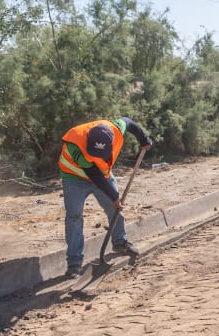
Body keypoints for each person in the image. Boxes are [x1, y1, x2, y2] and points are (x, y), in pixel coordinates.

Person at [59, 117, 153, 278]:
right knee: (74, 216)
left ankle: (120, 242)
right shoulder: (75, 143)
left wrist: (144, 139)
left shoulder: (115, 128)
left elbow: (130, 123)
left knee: (113, 207)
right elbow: (93, 174)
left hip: (102, 175)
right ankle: (74, 263)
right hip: (74, 177)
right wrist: (115, 196)